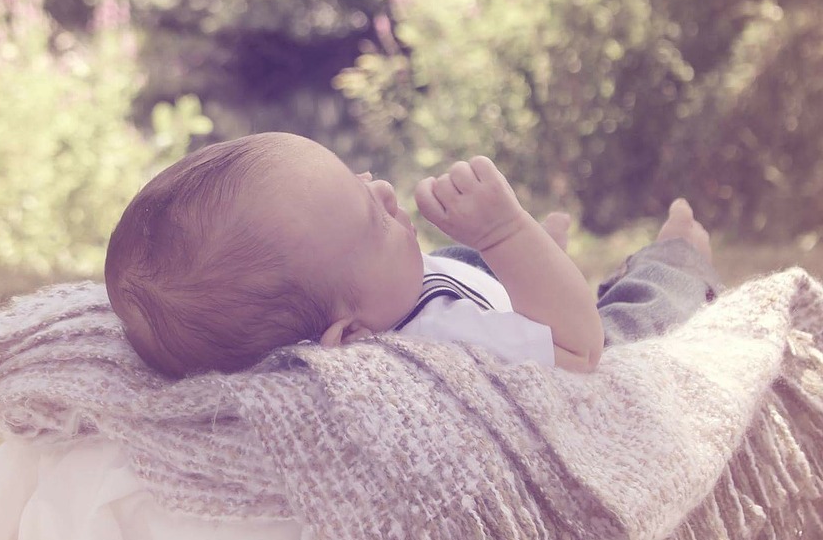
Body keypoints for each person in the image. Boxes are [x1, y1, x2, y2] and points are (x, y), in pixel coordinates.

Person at [105, 131, 715, 379]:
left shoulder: (380, 307)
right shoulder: (440, 344)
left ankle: (538, 273)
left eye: (358, 178)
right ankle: (680, 254)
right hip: (589, 344)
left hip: (487, 304)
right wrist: (505, 235)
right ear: (349, 336)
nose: (384, 189)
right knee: (637, 309)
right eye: (373, 217)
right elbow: (582, 350)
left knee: (446, 261)